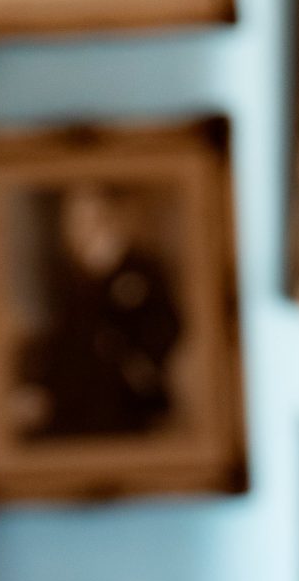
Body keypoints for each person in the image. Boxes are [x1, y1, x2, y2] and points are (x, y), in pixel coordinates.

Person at [17, 181, 183, 438]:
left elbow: (167, 325)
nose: (85, 226)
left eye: (94, 216)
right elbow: (58, 335)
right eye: (78, 218)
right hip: (72, 396)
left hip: (125, 397)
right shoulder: (65, 275)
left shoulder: (142, 268)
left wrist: (137, 364)